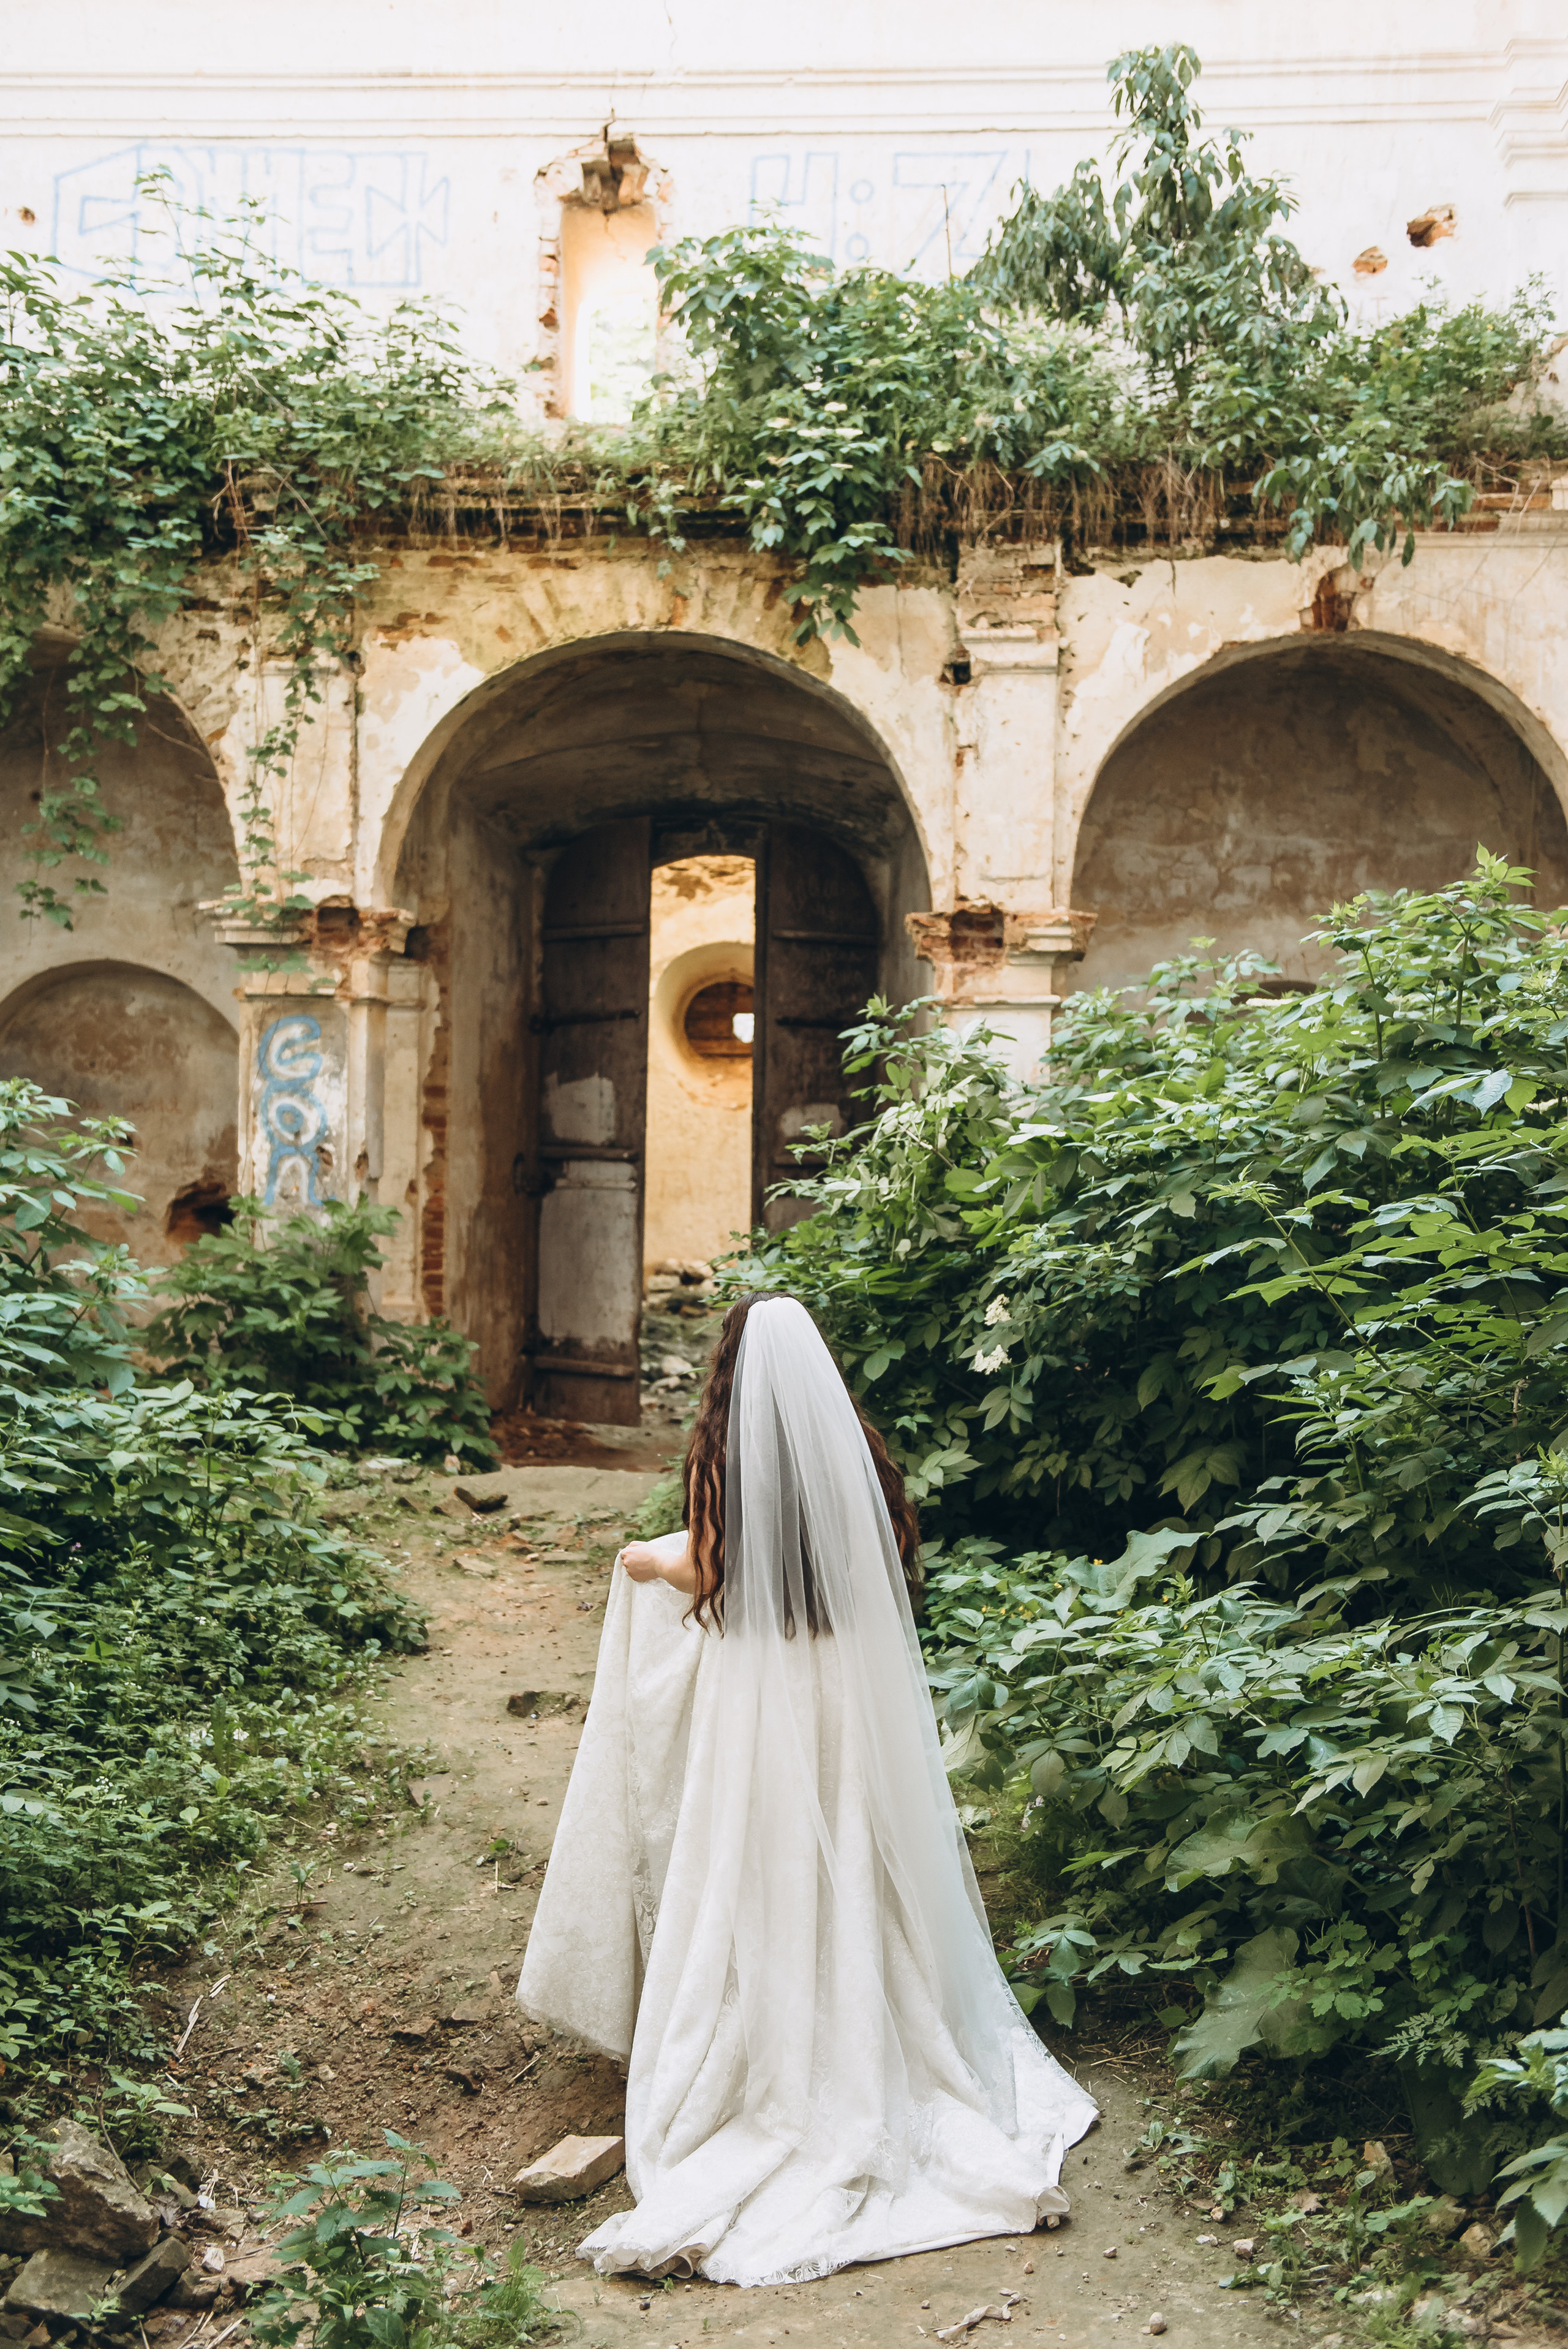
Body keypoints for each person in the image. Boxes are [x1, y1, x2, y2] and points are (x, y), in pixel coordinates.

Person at [517, 1292, 1096, 2288]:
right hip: (846, 1707)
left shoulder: (728, 1462)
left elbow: (706, 1563)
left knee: (761, 1864)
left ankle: (779, 2057)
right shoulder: (859, 1464)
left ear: (730, 1375)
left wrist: (643, 1556)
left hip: (767, 1710)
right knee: (855, 1860)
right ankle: (866, 2020)